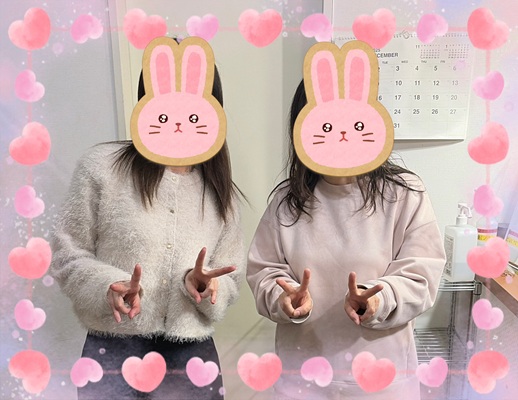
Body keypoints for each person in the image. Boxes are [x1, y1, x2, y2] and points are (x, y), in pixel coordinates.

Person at [50, 38, 245, 400]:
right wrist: (107, 285)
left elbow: (230, 276)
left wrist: (206, 287)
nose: (179, 123)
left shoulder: (219, 190)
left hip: (191, 354)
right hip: (113, 349)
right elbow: (67, 254)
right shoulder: (102, 168)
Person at [246, 79, 446, 399]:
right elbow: (264, 270)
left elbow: (421, 275)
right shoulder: (287, 201)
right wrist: (282, 297)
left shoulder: (405, 194)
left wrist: (378, 300)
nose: (340, 133)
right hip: (302, 381)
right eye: (326, 123)